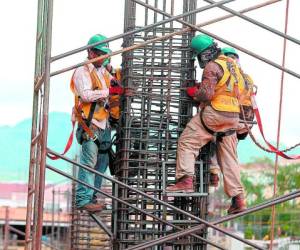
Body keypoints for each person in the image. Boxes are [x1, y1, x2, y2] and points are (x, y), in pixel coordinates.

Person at [166, 34, 247, 214]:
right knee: (229, 157)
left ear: (204, 54)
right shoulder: (233, 66)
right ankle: (238, 199)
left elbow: (207, 94)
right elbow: (241, 91)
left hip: (215, 114)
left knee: (188, 141)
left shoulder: (212, 66)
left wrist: (196, 93)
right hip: (233, 116)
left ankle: (186, 180)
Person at [71, 34, 125, 212]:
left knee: (101, 166)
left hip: (104, 125)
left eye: (104, 54)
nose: (102, 57)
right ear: (90, 52)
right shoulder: (82, 71)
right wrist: (108, 91)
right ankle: (83, 200)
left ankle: (91, 197)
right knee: (88, 163)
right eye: (100, 53)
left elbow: (114, 81)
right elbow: (86, 95)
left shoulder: (102, 71)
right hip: (90, 124)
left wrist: (116, 85)